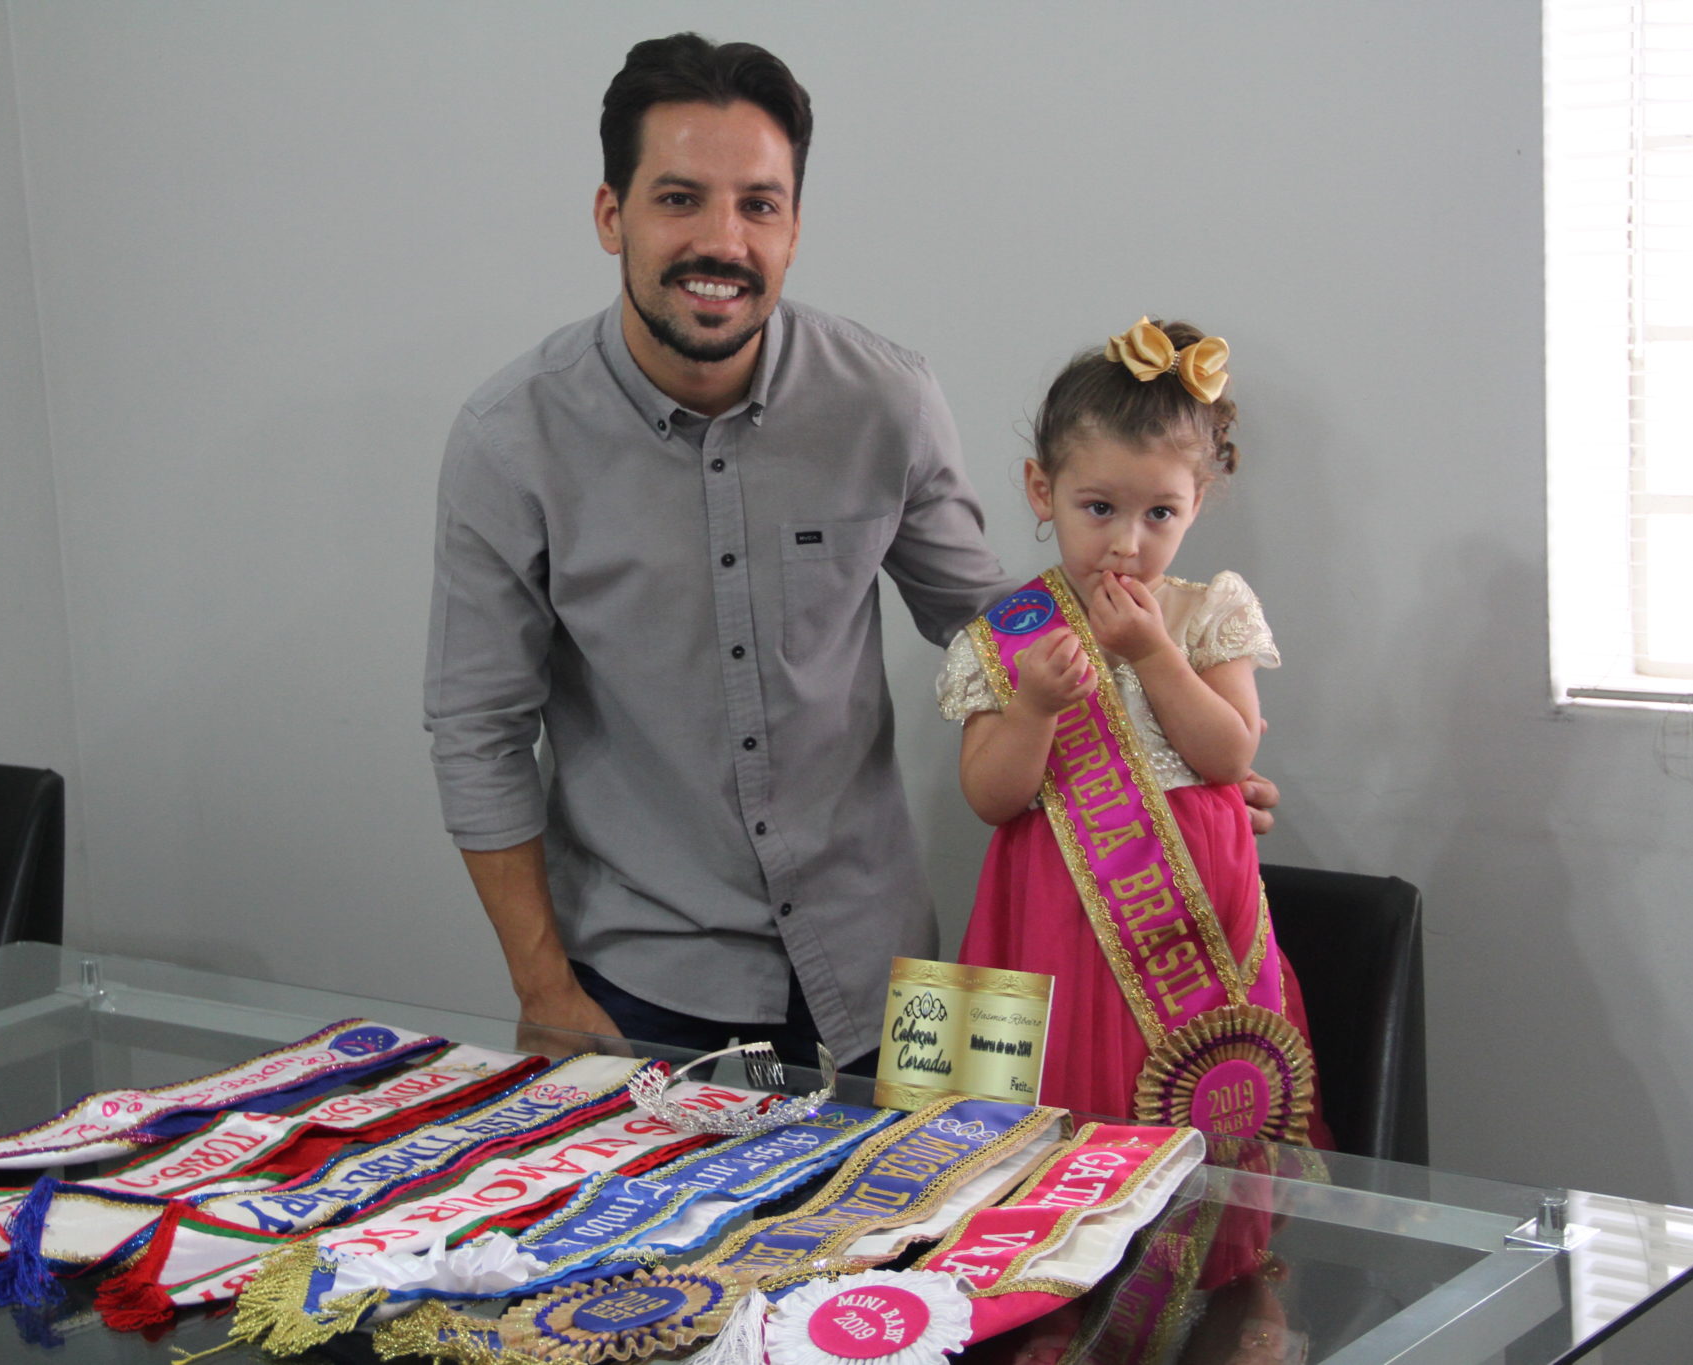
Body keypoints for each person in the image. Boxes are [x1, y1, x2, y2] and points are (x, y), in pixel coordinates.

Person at [422, 33, 1011, 1069]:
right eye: (679, 199)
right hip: (636, 989)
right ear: (611, 215)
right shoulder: (509, 439)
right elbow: (477, 730)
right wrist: (543, 990)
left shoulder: (888, 399)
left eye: (758, 205)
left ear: (794, 229)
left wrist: (1173, 763)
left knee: (965, 1184)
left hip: (889, 970)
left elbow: (992, 628)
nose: (722, 241)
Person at [940, 318, 1329, 1144]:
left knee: (1209, 1108)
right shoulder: (1007, 638)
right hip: (1048, 917)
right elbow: (989, 798)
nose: (1127, 541)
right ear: (1041, 491)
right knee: (1050, 1121)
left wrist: (1154, 653)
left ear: (1197, 504)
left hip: (1195, 915)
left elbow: (1229, 753)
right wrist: (1033, 708)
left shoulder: (1208, 612)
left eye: (1160, 512)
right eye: (1099, 508)